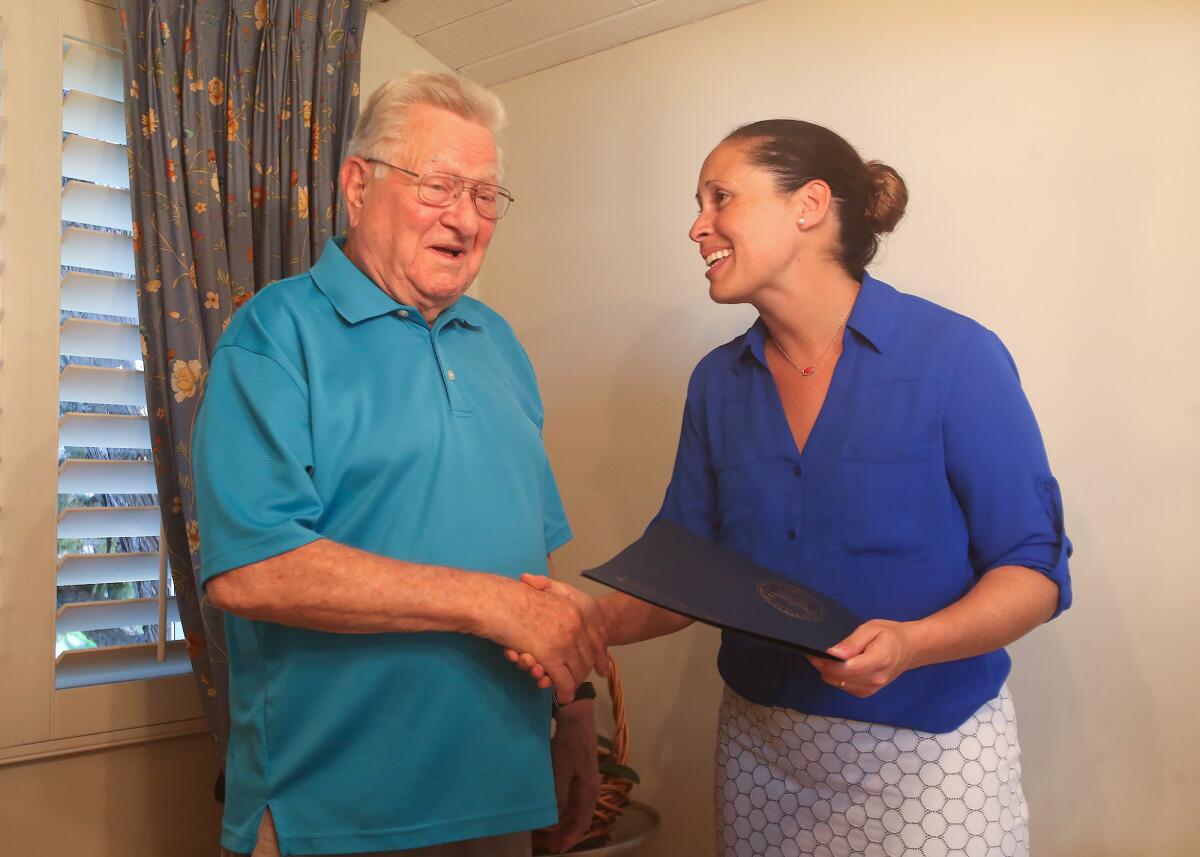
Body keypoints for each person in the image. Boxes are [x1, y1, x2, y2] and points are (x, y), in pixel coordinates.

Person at [511, 119, 1072, 857]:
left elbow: (1033, 570)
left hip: (934, 759)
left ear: (809, 205)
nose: (696, 226)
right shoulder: (717, 382)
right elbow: (683, 571)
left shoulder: (959, 356)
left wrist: (911, 644)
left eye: (720, 198)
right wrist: (578, 623)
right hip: (761, 751)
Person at [194, 72, 607, 857]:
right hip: (335, 814)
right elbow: (253, 570)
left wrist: (574, 705)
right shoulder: (274, 336)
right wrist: (483, 603)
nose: (465, 216)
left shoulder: (499, 344)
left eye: (487, 195)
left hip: (501, 797)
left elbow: (531, 566)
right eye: (440, 185)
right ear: (358, 185)